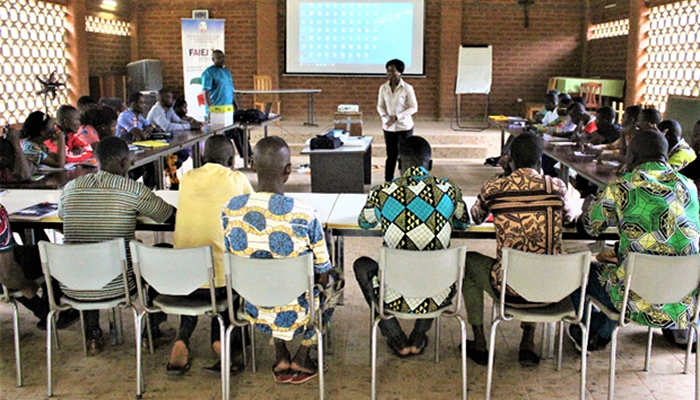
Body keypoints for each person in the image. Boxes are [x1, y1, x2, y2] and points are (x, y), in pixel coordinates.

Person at [569, 129, 700, 352]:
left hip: (634, 299)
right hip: (681, 298)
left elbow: (590, 227)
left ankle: (596, 333)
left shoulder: (622, 187)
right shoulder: (689, 186)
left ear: (632, 156)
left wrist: (587, 208)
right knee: (625, 267)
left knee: (580, 273)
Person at [222, 136, 336, 384]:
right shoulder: (304, 213)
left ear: (252, 165)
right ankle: (303, 356)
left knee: (266, 277)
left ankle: (280, 354)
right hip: (298, 312)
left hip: (254, 307)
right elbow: (324, 272)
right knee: (333, 285)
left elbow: (232, 257)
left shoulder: (230, 209)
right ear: (288, 170)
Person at [464, 132, 575, 367]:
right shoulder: (557, 187)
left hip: (510, 290)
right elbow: (570, 218)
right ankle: (527, 341)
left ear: (509, 159)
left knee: (467, 262)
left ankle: (480, 341)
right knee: (537, 260)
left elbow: (474, 216)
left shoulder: (495, 187)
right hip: (551, 290)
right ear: (539, 162)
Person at [354, 136, 470, 357]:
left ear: (398, 164)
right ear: (431, 164)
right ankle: (419, 335)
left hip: (393, 293)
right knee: (437, 267)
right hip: (438, 292)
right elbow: (463, 223)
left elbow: (365, 222)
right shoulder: (449, 189)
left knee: (362, 265)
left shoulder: (382, 192)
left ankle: (395, 336)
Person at [59, 136, 176, 354]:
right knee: (161, 254)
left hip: (73, 283)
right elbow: (167, 215)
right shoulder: (131, 189)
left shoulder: (71, 188)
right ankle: (151, 331)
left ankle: (92, 336)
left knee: (85, 254)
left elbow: (61, 216)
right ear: (124, 162)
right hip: (117, 283)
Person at [168, 135, 253, 375]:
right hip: (218, 283)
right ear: (231, 160)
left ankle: (182, 338)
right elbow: (250, 211)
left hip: (183, 282)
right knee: (229, 268)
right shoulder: (236, 179)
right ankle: (220, 338)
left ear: (203, 159)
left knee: (196, 271)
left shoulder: (187, 178)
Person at [0, 203, 79, 330]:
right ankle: (56, 306)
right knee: (51, 255)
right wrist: (26, 287)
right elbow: (8, 274)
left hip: (6, 276)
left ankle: (46, 309)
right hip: (8, 276)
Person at [146, 89, 201, 189]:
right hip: (154, 145)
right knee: (175, 160)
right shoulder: (157, 110)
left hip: (166, 142)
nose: (172, 100)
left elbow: (178, 121)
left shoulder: (169, 110)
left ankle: (168, 179)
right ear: (161, 99)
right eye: (169, 98)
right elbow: (167, 127)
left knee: (183, 154)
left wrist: (194, 124)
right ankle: (165, 181)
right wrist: (189, 126)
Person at [201, 50, 250, 160]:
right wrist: (210, 109)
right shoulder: (208, 73)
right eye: (219, 58)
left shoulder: (227, 71)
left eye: (223, 57)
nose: (222, 60)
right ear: (213, 59)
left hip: (228, 110)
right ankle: (220, 158)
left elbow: (231, 91)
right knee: (220, 136)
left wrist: (237, 107)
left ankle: (248, 157)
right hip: (216, 111)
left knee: (238, 130)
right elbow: (205, 92)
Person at [377, 58, 418, 182]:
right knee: (391, 156)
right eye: (388, 70)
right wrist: (385, 117)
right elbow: (380, 106)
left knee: (405, 156)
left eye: (393, 71)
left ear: (400, 72)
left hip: (404, 127)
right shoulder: (383, 88)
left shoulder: (407, 88)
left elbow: (414, 107)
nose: (389, 73)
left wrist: (398, 117)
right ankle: (388, 182)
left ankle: (406, 181)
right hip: (389, 127)